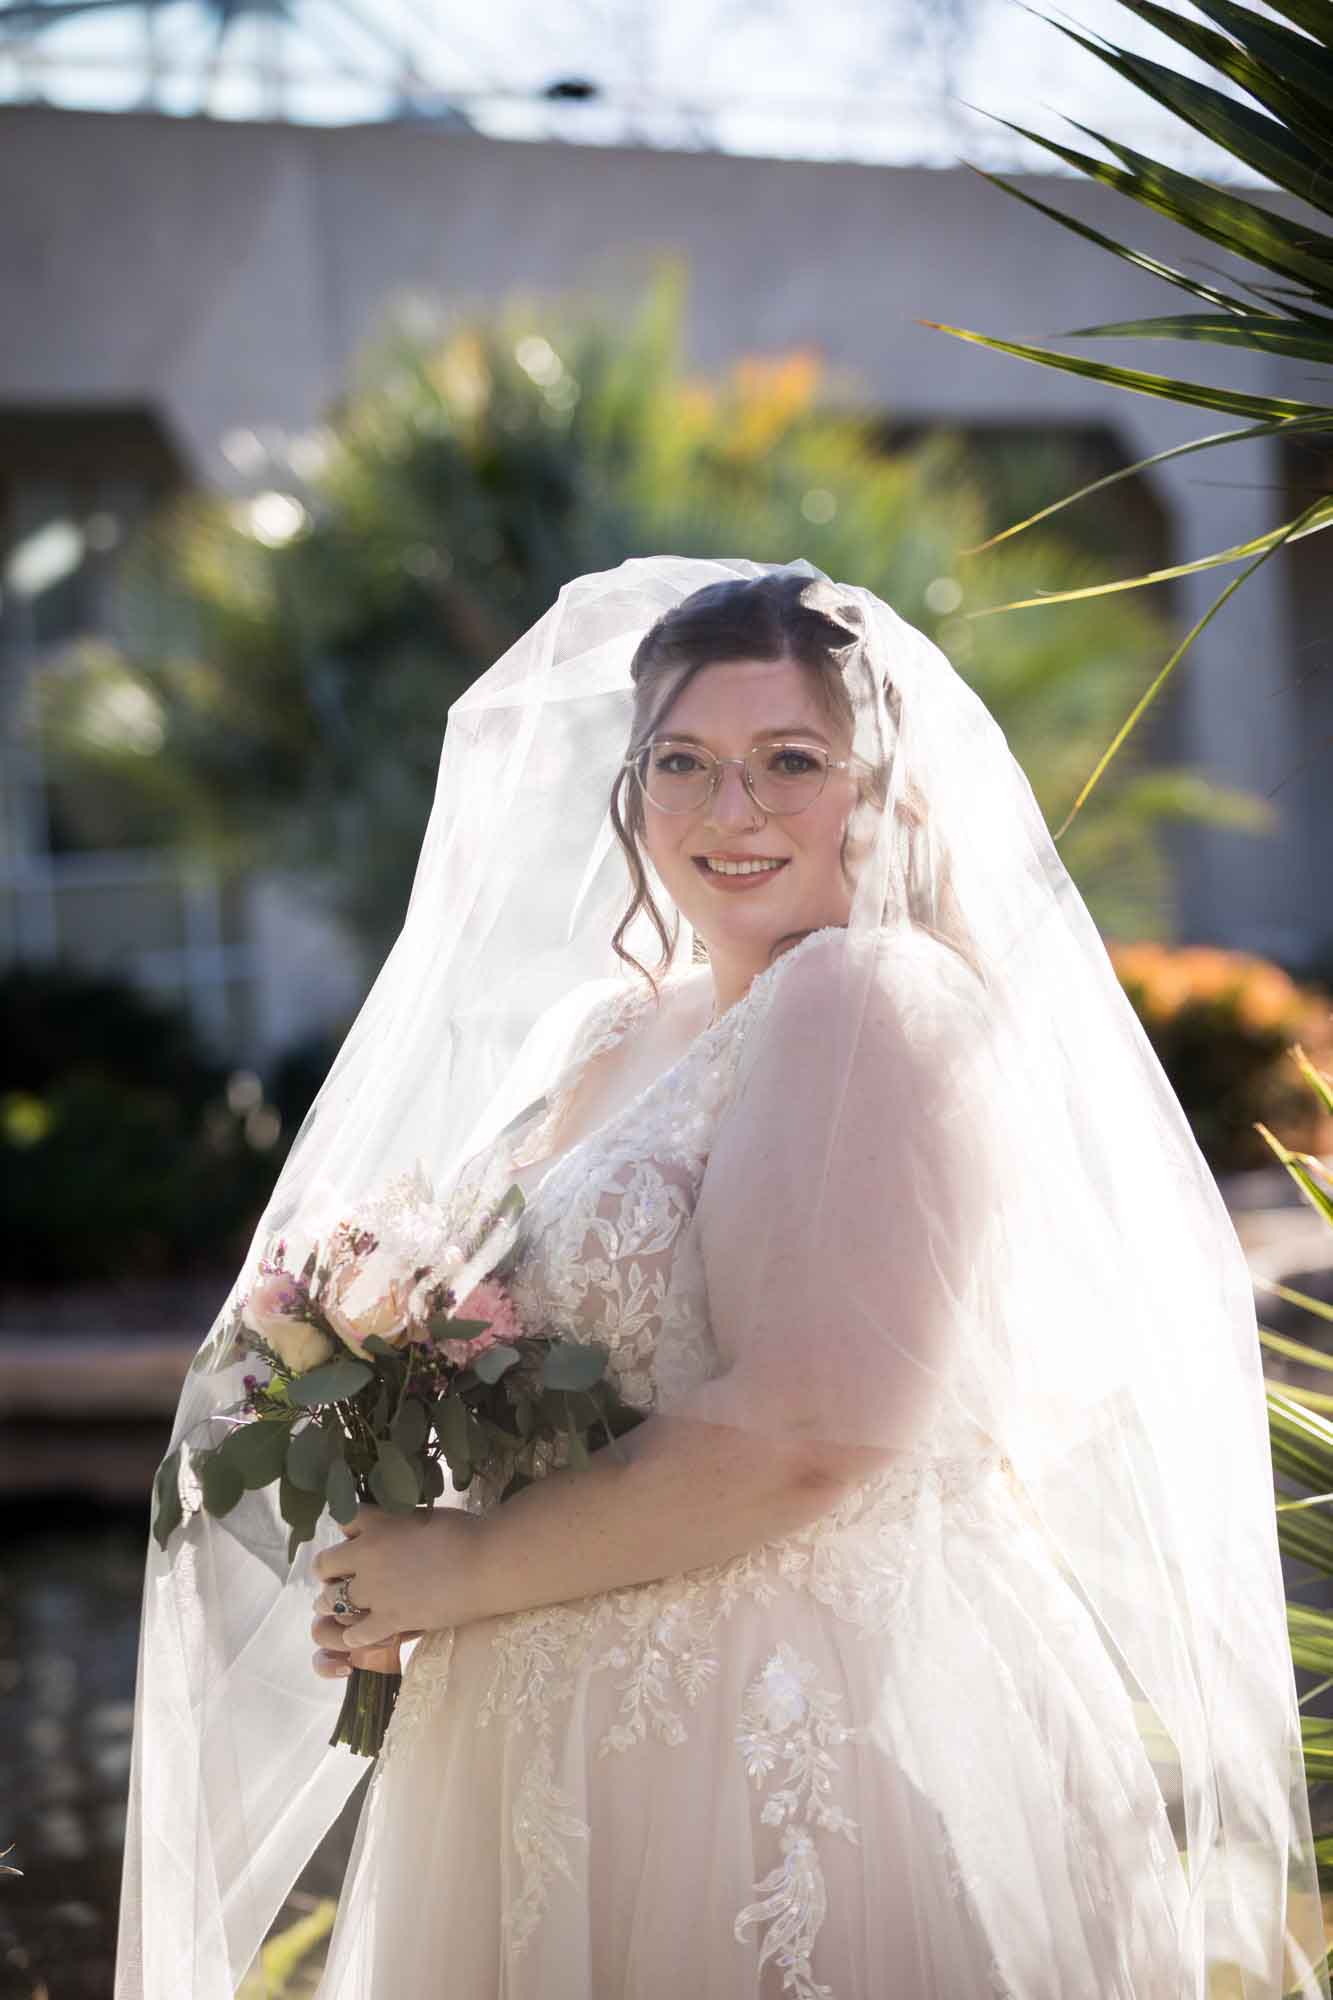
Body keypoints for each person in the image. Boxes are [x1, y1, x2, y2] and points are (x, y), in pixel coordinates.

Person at [115, 556, 1328, 2000]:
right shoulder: (615, 1031)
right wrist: (398, 1490)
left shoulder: (865, 999)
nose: (728, 810)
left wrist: (471, 1566)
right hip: (547, 1717)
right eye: (680, 763)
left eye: (788, 763)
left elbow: (812, 1433)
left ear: (884, 790)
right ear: (630, 789)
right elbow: (545, 1359)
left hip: (786, 1717)